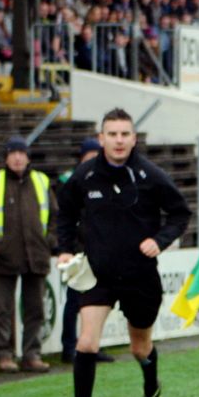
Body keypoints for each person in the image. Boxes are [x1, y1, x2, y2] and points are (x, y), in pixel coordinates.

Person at [55, 108, 192, 397]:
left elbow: (180, 214)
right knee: (86, 343)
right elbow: (66, 213)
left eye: (124, 134)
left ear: (134, 138)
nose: (118, 140)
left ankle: (151, 390)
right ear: (101, 138)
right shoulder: (84, 176)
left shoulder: (151, 175)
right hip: (97, 273)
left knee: (139, 347)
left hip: (139, 275)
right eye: (112, 134)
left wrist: (158, 241)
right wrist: (65, 248)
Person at [0, 136, 55, 374]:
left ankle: (31, 354)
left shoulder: (41, 181)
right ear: (6, 157)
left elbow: (55, 215)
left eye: (21, 153)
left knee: (36, 308)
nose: (17, 157)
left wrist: (48, 242)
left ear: (28, 157)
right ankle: (5, 355)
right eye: (13, 153)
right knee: (3, 309)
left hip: (36, 255)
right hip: (4, 257)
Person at [57, 138, 115, 365]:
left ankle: (90, 344)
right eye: (88, 155)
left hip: (99, 252)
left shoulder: (105, 180)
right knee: (74, 301)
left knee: (95, 302)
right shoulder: (72, 181)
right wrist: (67, 248)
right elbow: (66, 216)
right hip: (79, 253)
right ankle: (69, 347)